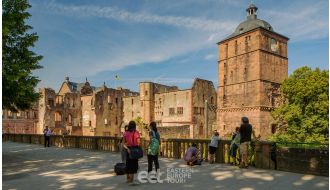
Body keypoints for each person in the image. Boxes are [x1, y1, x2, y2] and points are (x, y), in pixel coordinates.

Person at [123, 121, 141, 185]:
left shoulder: (125, 133)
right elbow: (138, 142)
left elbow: (124, 144)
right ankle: (131, 180)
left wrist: (127, 149)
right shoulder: (136, 133)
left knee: (128, 164)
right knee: (133, 165)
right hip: (134, 150)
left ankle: (128, 178)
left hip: (128, 150)